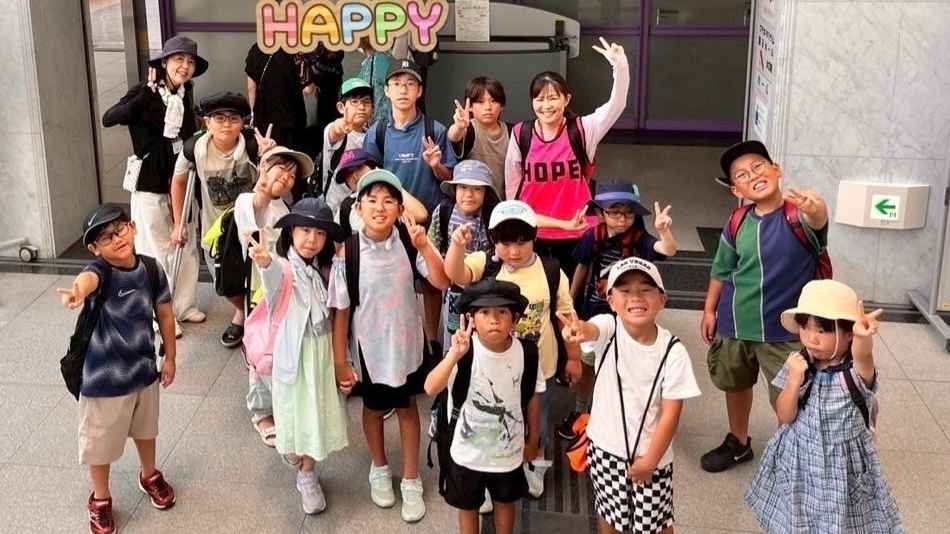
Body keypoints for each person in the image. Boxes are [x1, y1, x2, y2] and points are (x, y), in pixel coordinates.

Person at [328, 170, 450, 523]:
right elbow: (341, 312)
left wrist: (424, 245)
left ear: (399, 208)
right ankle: (379, 467)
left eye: (388, 201)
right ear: (358, 207)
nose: (379, 207)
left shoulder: (410, 242)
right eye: (371, 200)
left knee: (408, 408)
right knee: (373, 408)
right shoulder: (348, 254)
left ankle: (411, 478)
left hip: (407, 347)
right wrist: (340, 362)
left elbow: (441, 280)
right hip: (369, 351)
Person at [700, 140, 829, 473]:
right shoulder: (737, 220)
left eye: (758, 166)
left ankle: (793, 451)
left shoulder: (799, 216)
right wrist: (710, 309)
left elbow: (818, 220)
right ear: (736, 189)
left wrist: (816, 209)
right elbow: (721, 269)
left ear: (776, 169)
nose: (753, 175)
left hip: (783, 331)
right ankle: (738, 442)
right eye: (742, 174)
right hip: (734, 323)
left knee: (791, 393)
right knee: (736, 383)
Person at [443, 200, 581, 497]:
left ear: (534, 237)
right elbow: (456, 274)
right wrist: (456, 246)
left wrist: (573, 357)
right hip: (491, 367)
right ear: (494, 240)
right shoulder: (487, 264)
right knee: (496, 416)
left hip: (539, 366)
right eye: (505, 243)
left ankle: (536, 463)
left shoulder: (550, 270)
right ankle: (492, 465)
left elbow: (566, 316)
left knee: (538, 419)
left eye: (522, 242)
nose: (514, 251)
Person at [57, 204, 178, 534]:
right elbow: (87, 279)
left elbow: (165, 314)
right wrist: (78, 291)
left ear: (133, 227)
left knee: (146, 430)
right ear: (94, 248)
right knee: (100, 444)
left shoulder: (151, 269)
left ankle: (149, 474)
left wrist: (170, 357)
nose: (117, 239)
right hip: (103, 380)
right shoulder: (101, 272)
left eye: (120, 229)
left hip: (143, 371)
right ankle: (100, 499)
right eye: (105, 237)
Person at [745, 280, 902, 533]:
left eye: (822, 330)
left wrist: (863, 338)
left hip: (842, 468)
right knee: (796, 519)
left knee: (841, 523)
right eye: (805, 327)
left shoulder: (855, 374)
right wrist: (793, 380)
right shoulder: (798, 363)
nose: (811, 338)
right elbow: (785, 416)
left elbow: (863, 356)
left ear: (848, 333)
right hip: (799, 460)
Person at [558, 257, 700, 534]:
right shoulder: (609, 329)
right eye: (625, 290)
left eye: (646, 289)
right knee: (608, 513)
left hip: (651, 455)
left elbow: (671, 414)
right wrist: (580, 330)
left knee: (656, 523)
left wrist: (650, 460)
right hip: (604, 448)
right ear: (611, 301)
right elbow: (591, 329)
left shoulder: (673, 352)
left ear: (662, 299)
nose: (635, 297)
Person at [246, 198, 349, 514]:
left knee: (316, 414)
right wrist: (264, 262)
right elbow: (273, 278)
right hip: (295, 357)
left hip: (320, 355)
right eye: (304, 230)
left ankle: (307, 473)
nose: (311, 240)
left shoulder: (321, 269)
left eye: (319, 234)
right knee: (296, 414)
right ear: (290, 232)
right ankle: (298, 459)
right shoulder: (284, 267)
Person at [101, 35, 206, 336]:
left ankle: (184, 305)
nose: (185, 67)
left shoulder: (185, 93)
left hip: (181, 182)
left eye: (190, 62)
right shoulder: (144, 92)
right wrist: (145, 95)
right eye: (179, 60)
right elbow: (110, 118)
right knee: (156, 250)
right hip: (150, 183)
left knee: (186, 246)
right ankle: (161, 315)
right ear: (164, 63)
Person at [557, 182, 676, 441]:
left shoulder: (640, 239)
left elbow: (666, 250)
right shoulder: (592, 236)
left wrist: (664, 232)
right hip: (595, 309)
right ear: (601, 213)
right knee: (589, 362)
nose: (622, 219)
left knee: (626, 363)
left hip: (630, 316)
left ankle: (623, 412)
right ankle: (581, 410)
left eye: (628, 213)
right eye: (614, 212)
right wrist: (570, 301)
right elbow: (582, 267)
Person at [424, 279, 543, 534]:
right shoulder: (464, 353)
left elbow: (532, 396)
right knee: (468, 507)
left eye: (502, 312)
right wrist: (454, 354)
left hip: (508, 452)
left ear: (515, 318)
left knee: (505, 502)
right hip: (467, 453)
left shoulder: (527, 353)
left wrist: (533, 439)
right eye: (485, 312)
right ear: (471, 319)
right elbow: (430, 387)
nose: (494, 320)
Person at [504, 37, 630, 279]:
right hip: (533, 231)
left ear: (566, 99)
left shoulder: (583, 130)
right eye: (539, 99)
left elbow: (617, 105)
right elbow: (513, 184)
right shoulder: (521, 133)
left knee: (573, 296)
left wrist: (620, 67)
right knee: (536, 294)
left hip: (578, 231)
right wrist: (516, 222)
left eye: (553, 97)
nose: (546, 105)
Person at [363, 58, 458, 356]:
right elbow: (369, 177)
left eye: (410, 84)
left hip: (429, 223)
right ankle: (398, 342)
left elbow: (449, 177)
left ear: (419, 91)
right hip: (391, 223)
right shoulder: (378, 132)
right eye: (397, 84)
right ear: (386, 90)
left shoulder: (434, 129)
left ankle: (431, 341)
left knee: (432, 283)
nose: (403, 90)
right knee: (394, 281)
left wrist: (436, 165)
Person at [169, 91, 275, 338]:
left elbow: (277, 177)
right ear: (207, 122)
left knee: (258, 275)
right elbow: (178, 182)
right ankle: (243, 310)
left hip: (251, 224)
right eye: (219, 118)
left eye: (233, 118)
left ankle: (254, 318)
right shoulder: (194, 148)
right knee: (224, 282)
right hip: (215, 228)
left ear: (242, 123)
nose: (226, 124)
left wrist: (269, 154)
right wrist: (178, 223)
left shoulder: (252, 145)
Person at [232, 146, 315, 445]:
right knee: (260, 351)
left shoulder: (285, 209)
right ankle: (261, 412)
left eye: (292, 176)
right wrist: (265, 186)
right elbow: (255, 212)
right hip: (259, 290)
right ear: (264, 166)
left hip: (283, 289)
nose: (288, 178)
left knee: (277, 347)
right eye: (282, 169)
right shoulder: (248, 200)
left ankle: (279, 401)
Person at [427, 159, 499, 346]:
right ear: (455, 189)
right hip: (453, 291)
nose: (469, 194)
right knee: (454, 337)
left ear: (485, 193)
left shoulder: (492, 217)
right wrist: (437, 272)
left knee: (483, 340)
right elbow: (431, 246)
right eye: (463, 187)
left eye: (477, 189)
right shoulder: (444, 211)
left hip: (485, 292)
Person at [331, 148, 428, 237]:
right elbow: (339, 242)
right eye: (348, 174)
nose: (354, 176)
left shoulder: (391, 196)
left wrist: (385, 179)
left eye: (358, 168)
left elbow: (421, 215)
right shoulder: (347, 206)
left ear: (371, 166)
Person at [447, 77, 510, 198]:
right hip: (472, 202)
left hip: (504, 204)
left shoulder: (513, 132)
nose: (488, 107)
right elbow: (453, 137)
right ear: (470, 106)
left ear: (502, 105)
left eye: (493, 101)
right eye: (480, 102)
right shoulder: (468, 129)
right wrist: (459, 127)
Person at [245, 44, 308, 155]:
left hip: (264, 115)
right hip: (292, 116)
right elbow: (308, 89)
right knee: (290, 157)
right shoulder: (295, 48)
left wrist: (253, 112)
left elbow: (251, 87)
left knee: (266, 152)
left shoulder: (257, 48)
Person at [322, 78, 375, 204]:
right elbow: (335, 130)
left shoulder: (373, 135)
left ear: (372, 108)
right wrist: (341, 126)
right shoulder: (334, 131)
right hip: (334, 208)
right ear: (341, 107)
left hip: (363, 208)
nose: (361, 107)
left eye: (366, 102)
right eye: (354, 102)